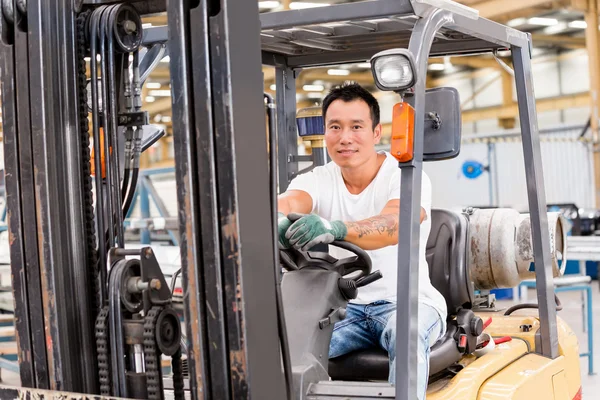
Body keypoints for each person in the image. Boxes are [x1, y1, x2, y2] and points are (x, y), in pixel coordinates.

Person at [277, 82, 447, 399]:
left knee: (405, 335)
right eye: (335, 127)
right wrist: (272, 219)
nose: (345, 138)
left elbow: (394, 224)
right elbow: (289, 201)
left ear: (376, 132)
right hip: (346, 308)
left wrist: (337, 229)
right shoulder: (318, 179)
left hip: (409, 304)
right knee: (283, 348)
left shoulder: (405, 175)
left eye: (357, 126)